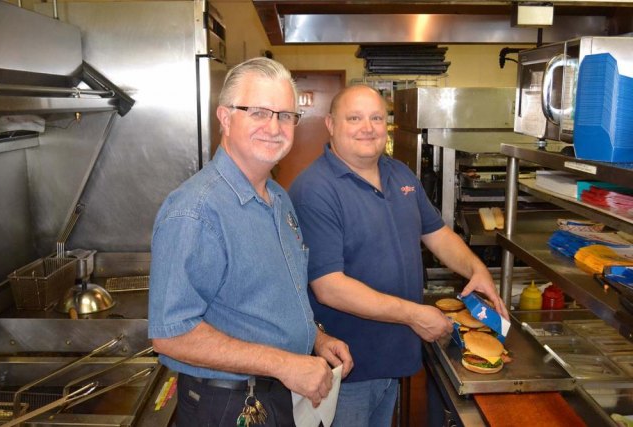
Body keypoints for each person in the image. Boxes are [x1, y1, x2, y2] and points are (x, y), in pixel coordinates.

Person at [148, 57, 353, 427]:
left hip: (278, 394)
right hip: (230, 405)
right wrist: (283, 362)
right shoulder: (195, 211)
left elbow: (273, 296)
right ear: (225, 118)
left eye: (285, 115)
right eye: (258, 112)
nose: (274, 127)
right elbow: (171, 333)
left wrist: (315, 339)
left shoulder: (278, 198)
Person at [289, 84, 509, 426]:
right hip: (347, 369)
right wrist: (414, 315)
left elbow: (437, 234)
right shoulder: (315, 189)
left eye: (376, 117)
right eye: (355, 118)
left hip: (393, 358)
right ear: (331, 124)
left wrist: (475, 269)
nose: (368, 127)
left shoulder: (400, 173)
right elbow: (328, 286)